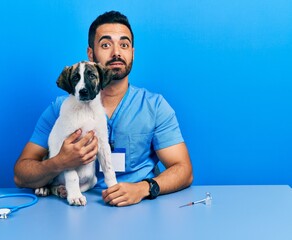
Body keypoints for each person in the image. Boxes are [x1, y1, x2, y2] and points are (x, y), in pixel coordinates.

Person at [14, 11, 193, 207]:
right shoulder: (59, 109)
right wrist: (59, 162)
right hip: (72, 208)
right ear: (91, 53)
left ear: (132, 52)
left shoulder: (154, 107)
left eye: (124, 45)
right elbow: (21, 175)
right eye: (106, 45)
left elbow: (184, 170)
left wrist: (143, 188)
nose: (116, 52)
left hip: (136, 206)